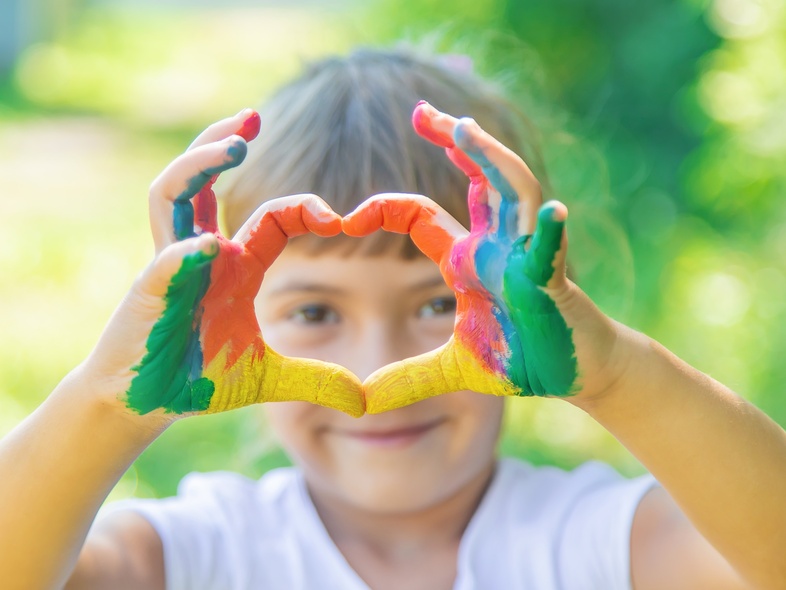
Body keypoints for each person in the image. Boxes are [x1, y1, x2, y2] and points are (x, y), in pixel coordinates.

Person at [1, 47, 785, 590]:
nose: (376, 366)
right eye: (313, 310)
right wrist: (107, 403)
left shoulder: (603, 544)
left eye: (441, 304)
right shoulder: (195, 555)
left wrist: (617, 375)